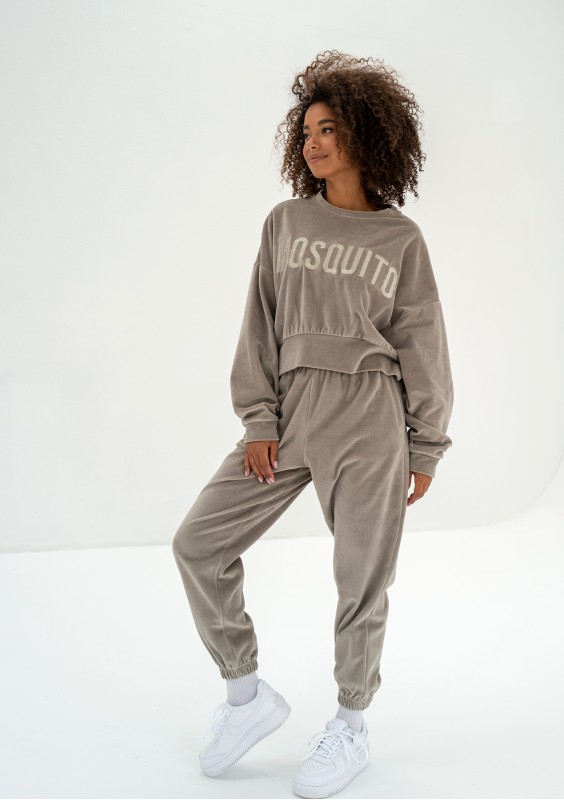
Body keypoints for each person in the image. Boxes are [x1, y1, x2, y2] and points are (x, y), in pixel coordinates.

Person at [171, 49, 454, 799]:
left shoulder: (401, 240)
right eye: (306, 132)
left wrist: (425, 444)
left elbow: (423, 344)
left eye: (328, 129)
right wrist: (258, 419)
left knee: (362, 579)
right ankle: (245, 696)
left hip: (370, 417)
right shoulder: (287, 222)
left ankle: (350, 724)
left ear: (367, 134)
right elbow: (259, 326)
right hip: (291, 412)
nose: (313, 143)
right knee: (199, 544)